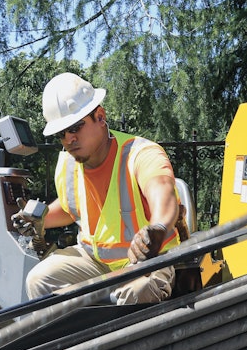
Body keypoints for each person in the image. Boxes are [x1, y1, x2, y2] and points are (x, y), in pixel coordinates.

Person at [17, 72, 181, 304]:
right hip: (94, 261)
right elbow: (69, 209)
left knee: (140, 290)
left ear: (100, 116)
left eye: (75, 127)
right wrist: (39, 219)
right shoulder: (68, 165)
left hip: (148, 261)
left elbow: (163, 194)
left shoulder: (140, 154)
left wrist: (158, 227)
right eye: (61, 134)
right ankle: (70, 341)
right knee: (38, 280)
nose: (68, 139)